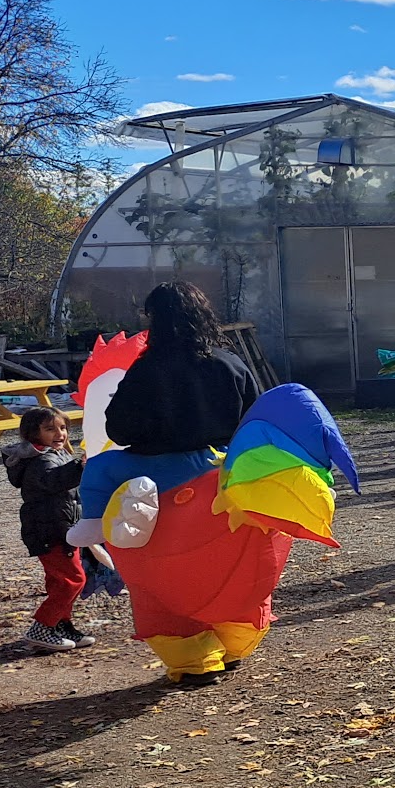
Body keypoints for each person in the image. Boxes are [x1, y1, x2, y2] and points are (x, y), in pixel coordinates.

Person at [91, 281, 266, 683]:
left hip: (157, 486)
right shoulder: (228, 363)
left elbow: (118, 427)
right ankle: (234, 640)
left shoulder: (146, 370)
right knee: (228, 564)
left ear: (157, 320)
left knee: (162, 575)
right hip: (221, 481)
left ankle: (192, 656)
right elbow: (255, 420)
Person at [5, 407, 93, 654]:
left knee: (58, 581)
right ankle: (42, 627)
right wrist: (81, 466)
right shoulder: (40, 460)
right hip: (49, 531)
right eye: (50, 429)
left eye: (63, 428)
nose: (59, 433)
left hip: (62, 527)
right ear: (34, 433)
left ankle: (60, 624)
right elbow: (56, 480)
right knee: (73, 580)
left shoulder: (55, 454)